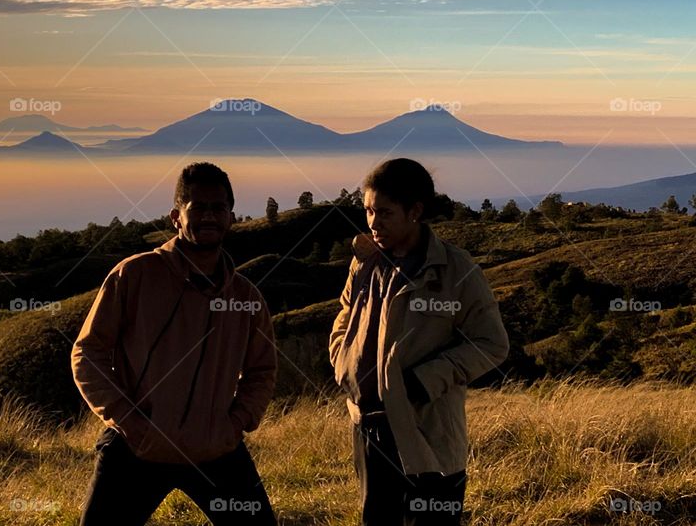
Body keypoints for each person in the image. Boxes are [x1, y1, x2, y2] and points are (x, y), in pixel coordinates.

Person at [72, 162, 278, 525]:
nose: (209, 216)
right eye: (198, 207)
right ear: (176, 217)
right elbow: (88, 352)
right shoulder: (134, 275)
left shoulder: (246, 297)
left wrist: (236, 423)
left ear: (231, 216)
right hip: (138, 449)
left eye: (218, 208)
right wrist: (128, 421)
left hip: (215, 450)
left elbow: (262, 368)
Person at [329, 158, 509, 525]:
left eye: (384, 212)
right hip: (369, 427)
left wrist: (423, 382)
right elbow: (344, 319)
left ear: (415, 211)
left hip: (428, 429)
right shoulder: (364, 262)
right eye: (367, 211)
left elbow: (491, 344)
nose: (373, 223)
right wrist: (343, 365)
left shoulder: (456, 270)